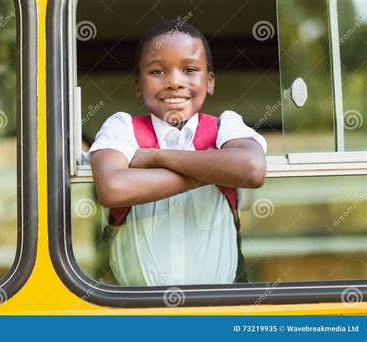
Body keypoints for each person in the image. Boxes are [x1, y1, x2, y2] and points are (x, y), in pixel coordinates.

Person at [87, 20, 267, 286]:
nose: (174, 82)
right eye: (158, 71)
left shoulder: (225, 126)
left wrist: (156, 157)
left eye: (190, 69)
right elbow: (111, 187)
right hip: (134, 312)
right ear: (138, 85)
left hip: (220, 308)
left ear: (209, 81)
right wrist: (216, 169)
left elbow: (251, 169)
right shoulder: (122, 127)